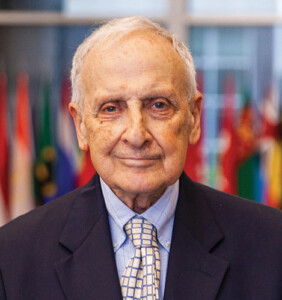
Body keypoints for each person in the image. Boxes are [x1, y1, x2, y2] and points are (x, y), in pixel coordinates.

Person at [0, 16, 282, 300]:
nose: (136, 135)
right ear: (81, 126)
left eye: (159, 105)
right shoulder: (11, 256)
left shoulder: (273, 245)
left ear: (194, 118)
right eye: (111, 108)